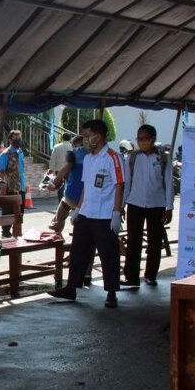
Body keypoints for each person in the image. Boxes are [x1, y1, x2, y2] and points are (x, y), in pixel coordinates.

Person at [48, 119, 125, 308]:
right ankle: (71, 288)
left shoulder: (112, 157)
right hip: (86, 213)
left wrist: (116, 212)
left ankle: (112, 293)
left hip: (105, 215)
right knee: (78, 252)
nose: (85, 140)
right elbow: (86, 187)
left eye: (87, 136)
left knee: (108, 255)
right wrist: (77, 209)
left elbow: (119, 185)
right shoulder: (89, 158)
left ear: (98, 136)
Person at [122, 125, 174, 287]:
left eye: (145, 138)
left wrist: (169, 207)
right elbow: (127, 183)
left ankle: (151, 275)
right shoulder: (131, 158)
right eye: (139, 139)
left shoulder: (164, 159)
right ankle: (131, 276)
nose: (142, 142)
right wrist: (121, 206)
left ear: (153, 139)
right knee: (133, 241)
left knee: (155, 241)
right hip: (135, 203)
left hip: (157, 204)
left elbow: (168, 183)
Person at [0, 129, 26, 237]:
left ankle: (17, 232)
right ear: (10, 140)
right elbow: (1, 172)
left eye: (19, 139)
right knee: (8, 212)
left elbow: (21, 169)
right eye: (15, 139)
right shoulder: (5, 154)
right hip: (10, 188)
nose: (18, 141)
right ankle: (5, 231)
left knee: (20, 212)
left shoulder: (20, 152)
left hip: (21, 186)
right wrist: (9, 183)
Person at [47, 133, 73, 201]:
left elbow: (53, 159)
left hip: (59, 171)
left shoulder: (57, 147)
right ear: (70, 139)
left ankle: (61, 201)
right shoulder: (72, 147)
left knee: (60, 186)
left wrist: (51, 169)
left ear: (62, 138)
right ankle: (69, 201)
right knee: (70, 185)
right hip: (70, 170)